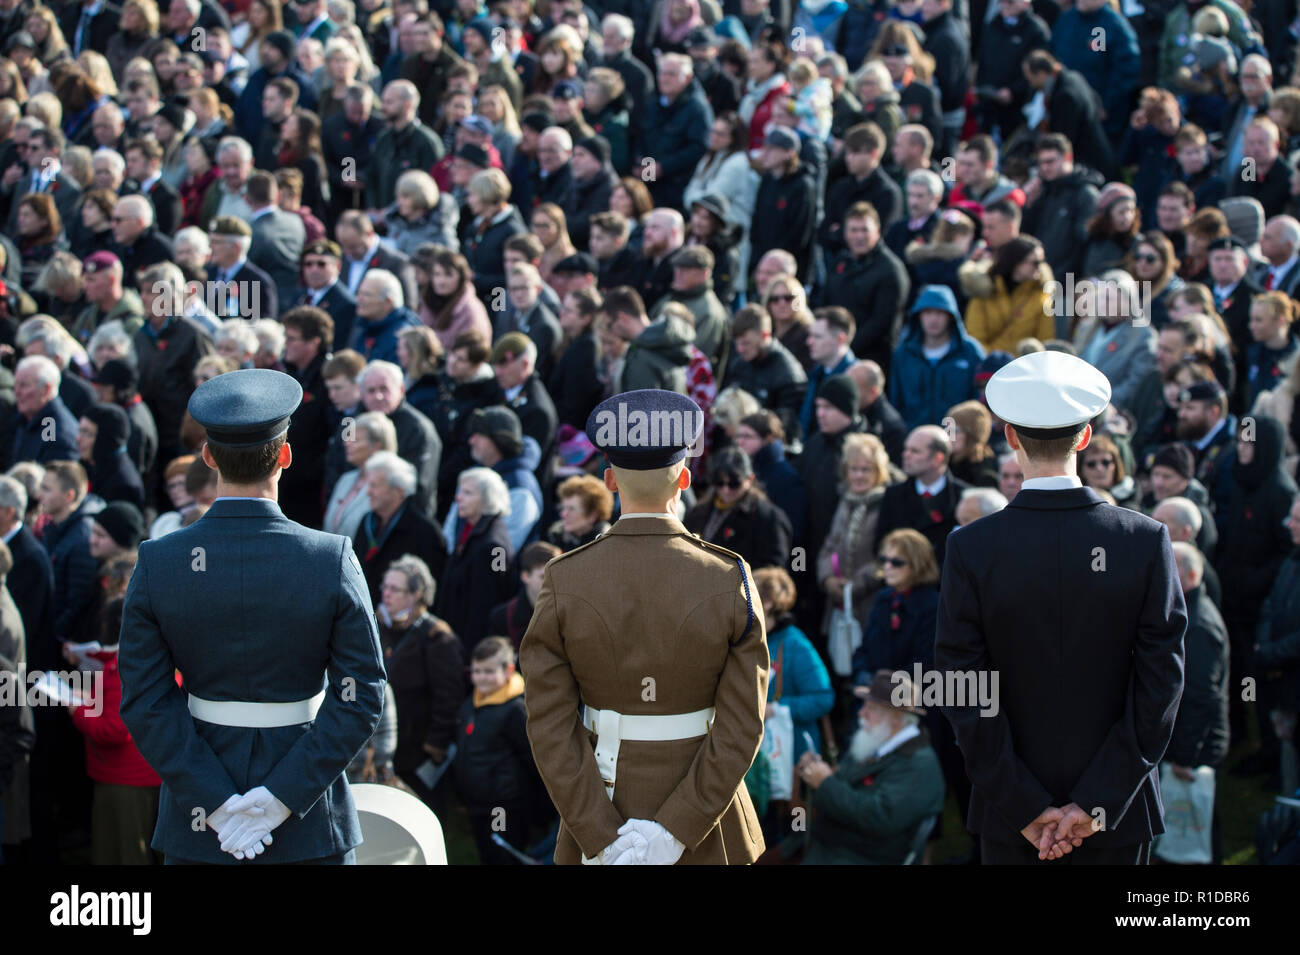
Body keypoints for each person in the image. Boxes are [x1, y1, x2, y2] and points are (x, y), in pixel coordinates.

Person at [118, 368, 387, 864]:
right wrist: (283, 796)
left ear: (207, 456)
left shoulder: (160, 562)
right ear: (285, 455)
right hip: (309, 815)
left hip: (200, 824)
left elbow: (146, 703)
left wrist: (216, 804)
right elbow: (361, 694)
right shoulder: (330, 558)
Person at [937, 350, 1187, 864]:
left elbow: (961, 685)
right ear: (1087, 436)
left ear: (1008, 437)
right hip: (1115, 813)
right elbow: (1162, 682)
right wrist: (1097, 799)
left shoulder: (971, 547)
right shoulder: (1144, 539)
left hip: (1013, 816)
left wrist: (1023, 803)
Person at [520, 388, 767, 865]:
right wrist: (678, 828)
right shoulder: (728, 575)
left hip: (604, 800)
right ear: (686, 480)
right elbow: (741, 726)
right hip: (707, 821)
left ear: (610, 481)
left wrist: (599, 831)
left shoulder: (565, 577)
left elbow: (549, 726)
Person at [795, 668, 945, 865]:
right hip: (831, 845)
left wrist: (825, 783)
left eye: (871, 708)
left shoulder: (919, 764)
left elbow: (878, 818)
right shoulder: (876, 742)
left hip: (863, 856)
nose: (861, 713)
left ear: (896, 718)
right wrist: (813, 773)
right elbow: (842, 784)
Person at [377, 553, 464, 808]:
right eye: (385, 586)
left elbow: (449, 697)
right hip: (384, 746)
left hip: (417, 751)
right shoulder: (379, 625)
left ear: (416, 594)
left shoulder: (437, 637)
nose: (386, 594)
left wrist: (435, 745)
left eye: (395, 589)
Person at [455, 635, 544, 864]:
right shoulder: (470, 704)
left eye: (488, 671)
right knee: (486, 853)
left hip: (502, 805)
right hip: (477, 803)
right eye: (476, 671)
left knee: (503, 854)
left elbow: (531, 758)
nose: (481, 678)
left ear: (508, 670)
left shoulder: (515, 709)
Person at [435, 466, 515, 656]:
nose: (458, 498)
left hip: (471, 650)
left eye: (468, 493)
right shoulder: (469, 530)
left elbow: (487, 605)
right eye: (460, 491)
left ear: (488, 499)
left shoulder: (494, 545)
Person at [684, 445, 791, 571]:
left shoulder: (769, 518)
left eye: (734, 483)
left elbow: (772, 570)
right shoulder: (699, 512)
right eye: (719, 482)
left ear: (750, 479)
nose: (726, 489)